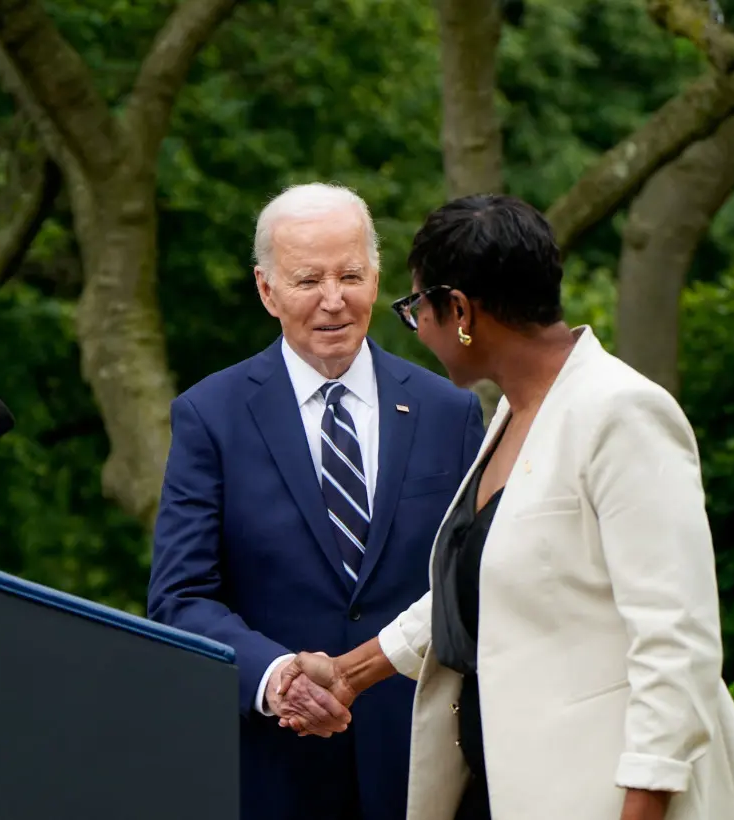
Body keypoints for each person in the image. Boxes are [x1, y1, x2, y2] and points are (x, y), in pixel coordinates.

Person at [275, 194, 734, 820]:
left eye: (415, 309)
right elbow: (485, 583)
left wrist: (644, 804)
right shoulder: (515, 412)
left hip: (602, 794)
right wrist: (351, 673)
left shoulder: (621, 412)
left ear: (458, 310)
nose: (418, 330)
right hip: (495, 786)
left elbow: (677, 639)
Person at [146, 183, 486, 820]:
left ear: (377, 277)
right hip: (275, 772)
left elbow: (475, 579)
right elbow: (180, 597)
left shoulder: (451, 411)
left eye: (351, 275)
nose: (334, 301)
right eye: (308, 280)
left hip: (424, 770)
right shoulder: (210, 417)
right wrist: (277, 678)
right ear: (267, 289)